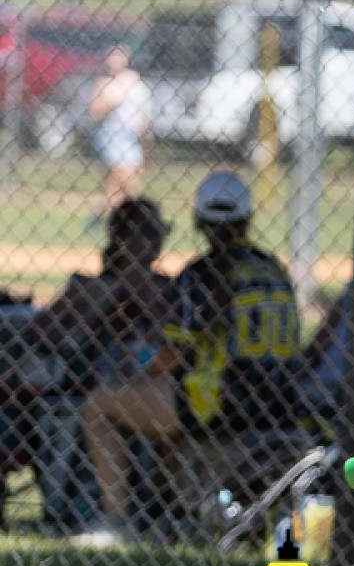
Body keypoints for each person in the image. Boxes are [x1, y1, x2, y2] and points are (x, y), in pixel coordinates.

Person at [72, 171, 302, 547]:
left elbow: (175, 352)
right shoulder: (273, 268)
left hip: (222, 401)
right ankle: (171, 513)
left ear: (198, 220)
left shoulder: (203, 272)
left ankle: (116, 522)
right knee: (161, 400)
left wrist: (139, 380)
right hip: (277, 398)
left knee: (99, 405)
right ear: (247, 218)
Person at [23, 198, 174, 532]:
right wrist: (88, 306)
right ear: (121, 237)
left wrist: (140, 287)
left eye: (161, 231)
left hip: (152, 387)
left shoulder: (167, 288)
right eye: (149, 231)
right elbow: (42, 333)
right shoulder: (92, 286)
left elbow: (177, 332)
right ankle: (93, 514)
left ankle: (158, 511)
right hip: (97, 385)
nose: (159, 240)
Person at [87, 45, 152, 212]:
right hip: (113, 135)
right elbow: (95, 112)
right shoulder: (104, 83)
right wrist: (114, 101)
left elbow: (143, 115)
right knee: (124, 178)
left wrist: (146, 139)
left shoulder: (135, 81)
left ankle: (102, 214)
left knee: (123, 185)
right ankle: (116, 215)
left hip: (133, 136)